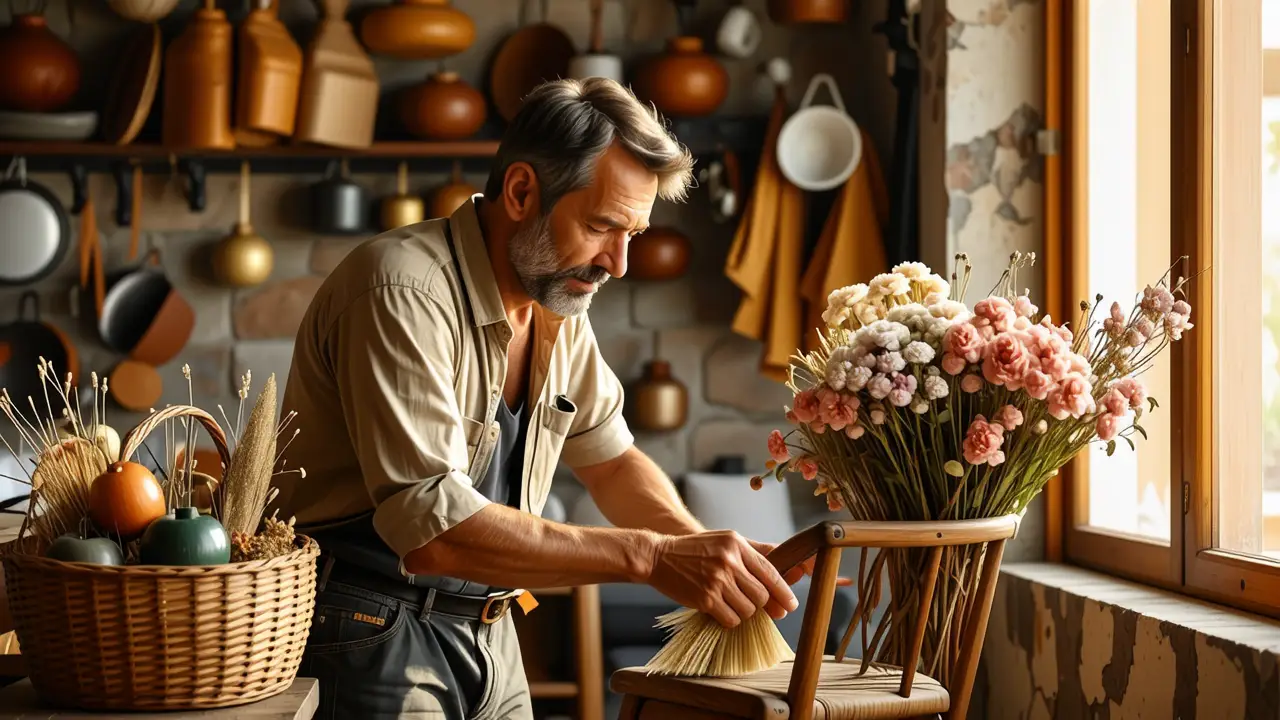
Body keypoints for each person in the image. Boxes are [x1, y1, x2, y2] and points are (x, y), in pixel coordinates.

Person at [276, 77, 816, 720]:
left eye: (633, 234)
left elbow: (611, 461)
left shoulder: (556, 302)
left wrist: (710, 559)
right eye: (600, 225)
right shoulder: (402, 290)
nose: (617, 263)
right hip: (369, 627)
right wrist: (650, 556)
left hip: (495, 631)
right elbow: (433, 532)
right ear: (522, 191)